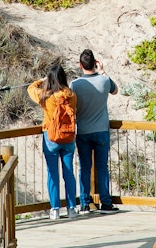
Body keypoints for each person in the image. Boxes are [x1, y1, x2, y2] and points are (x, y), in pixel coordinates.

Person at [70, 49, 118, 213]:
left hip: (83, 131)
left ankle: (84, 202)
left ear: (80, 65)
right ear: (95, 63)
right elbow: (115, 90)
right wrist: (103, 71)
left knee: (84, 167)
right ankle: (106, 202)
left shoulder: (75, 85)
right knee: (102, 167)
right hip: (101, 130)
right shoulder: (104, 80)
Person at [27, 65, 78, 220]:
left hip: (51, 137)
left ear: (50, 79)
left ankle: (55, 209)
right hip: (68, 136)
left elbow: (30, 89)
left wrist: (41, 81)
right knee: (69, 173)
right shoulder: (72, 95)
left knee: (52, 173)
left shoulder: (45, 96)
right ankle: (71, 209)